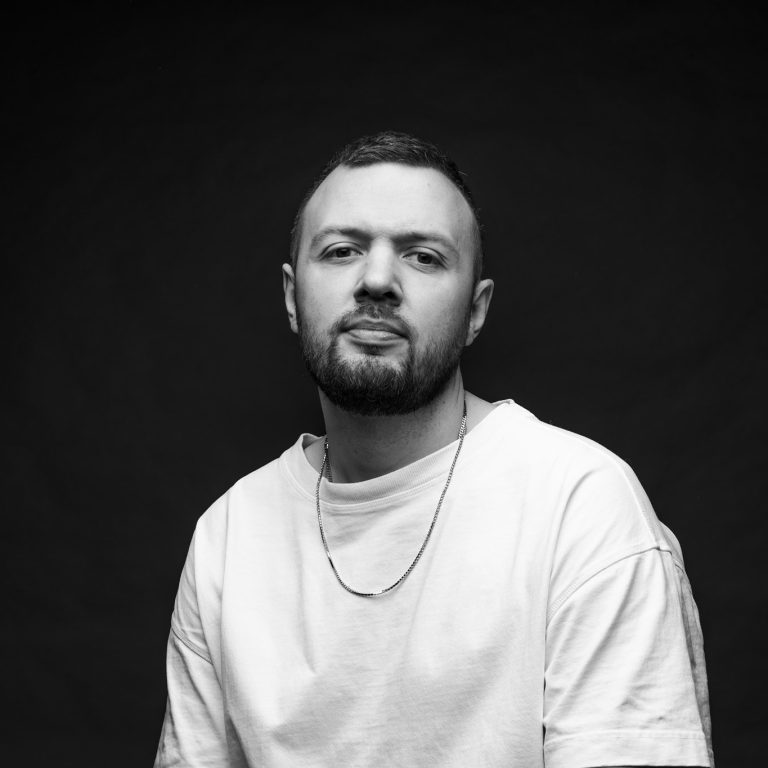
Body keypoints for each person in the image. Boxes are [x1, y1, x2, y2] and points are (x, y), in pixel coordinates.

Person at [154, 132, 713, 767]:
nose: (377, 280)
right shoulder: (229, 535)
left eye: (423, 257)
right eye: (341, 251)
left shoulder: (578, 505)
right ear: (291, 296)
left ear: (476, 311)